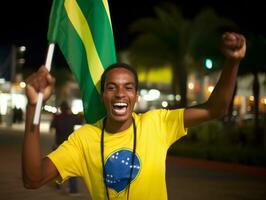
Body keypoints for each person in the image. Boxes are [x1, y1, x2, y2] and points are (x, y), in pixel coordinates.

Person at [22, 32, 246, 200]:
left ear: (136, 96)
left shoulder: (157, 123)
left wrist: (233, 61)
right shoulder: (84, 139)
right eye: (111, 87)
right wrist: (33, 106)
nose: (120, 93)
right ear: (102, 96)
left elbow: (217, 108)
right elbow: (33, 179)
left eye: (128, 88)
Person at [50, 101, 82, 195]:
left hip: (58, 144)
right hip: (69, 145)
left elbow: (51, 128)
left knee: (57, 165)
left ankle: (58, 184)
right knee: (72, 167)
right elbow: (80, 121)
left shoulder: (57, 117)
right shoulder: (71, 117)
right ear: (68, 108)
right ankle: (73, 189)